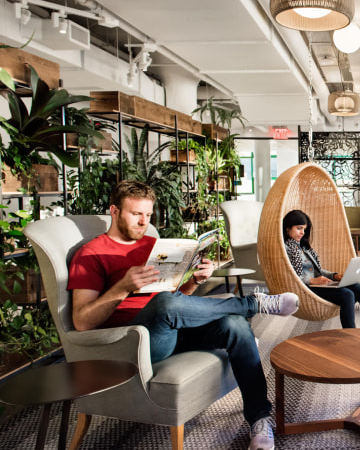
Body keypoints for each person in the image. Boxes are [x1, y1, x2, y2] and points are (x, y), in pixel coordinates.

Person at [68, 180, 299, 450]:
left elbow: (180, 300)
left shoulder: (153, 245)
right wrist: (123, 288)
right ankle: (252, 303)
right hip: (133, 342)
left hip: (170, 326)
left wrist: (196, 281)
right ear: (115, 211)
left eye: (148, 215)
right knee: (165, 303)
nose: (143, 222)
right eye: (135, 214)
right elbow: (82, 321)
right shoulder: (91, 254)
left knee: (235, 325)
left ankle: (259, 420)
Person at [284, 209, 360, 329]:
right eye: (299, 228)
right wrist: (311, 281)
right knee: (347, 294)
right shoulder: (286, 250)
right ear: (288, 228)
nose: (302, 232)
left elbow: (317, 271)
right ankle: (350, 333)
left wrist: (335, 276)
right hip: (306, 289)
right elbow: (288, 276)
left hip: (319, 285)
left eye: (304, 229)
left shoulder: (303, 247)